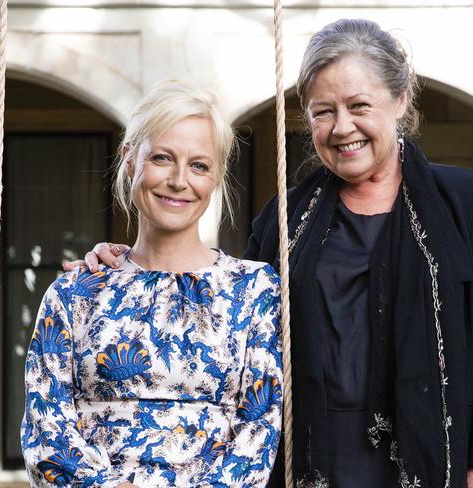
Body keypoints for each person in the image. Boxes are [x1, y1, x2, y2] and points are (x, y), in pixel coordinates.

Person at [68, 19, 473, 488]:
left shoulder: (471, 201)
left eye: (359, 106)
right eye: (322, 112)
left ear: (400, 100)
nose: (342, 127)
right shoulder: (284, 217)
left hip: (434, 455)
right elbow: (221, 307)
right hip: (310, 461)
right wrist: (127, 264)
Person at [21, 79, 283, 488]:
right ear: (129, 159)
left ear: (216, 177)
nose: (179, 180)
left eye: (199, 165)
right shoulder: (74, 293)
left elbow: (260, 428)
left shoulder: (255, 289)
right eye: (162, 158)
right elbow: (46, 423)